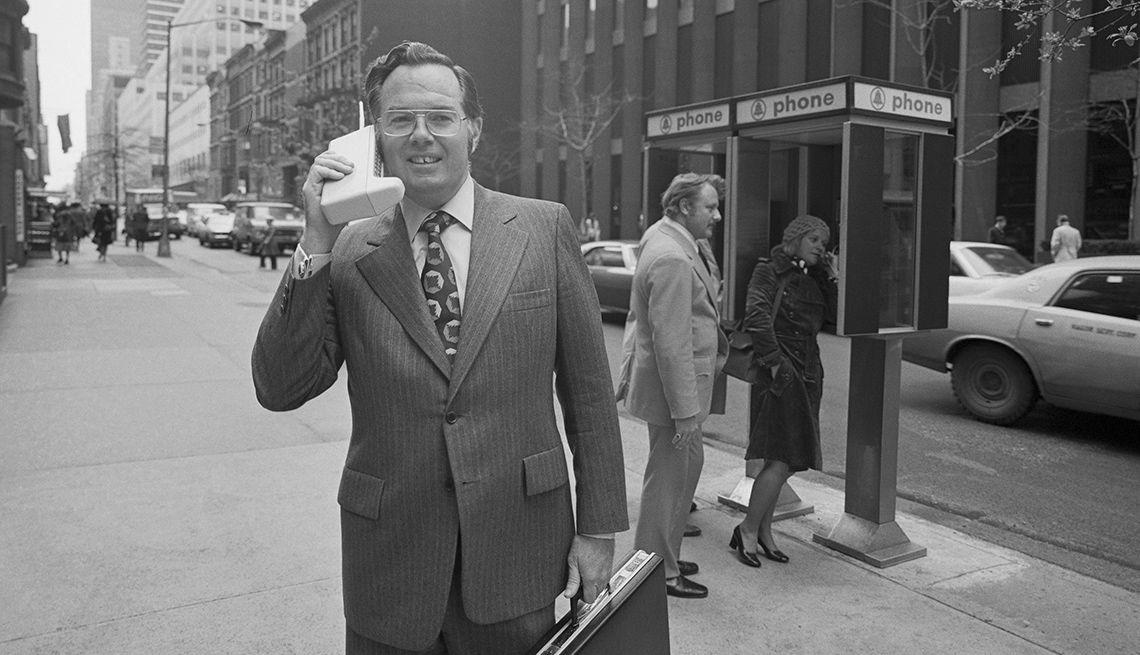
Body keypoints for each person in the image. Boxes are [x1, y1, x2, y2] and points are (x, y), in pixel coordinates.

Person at [251, 41, 627, 654]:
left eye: (440, 118)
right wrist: (315, 240)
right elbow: (279, 387)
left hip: (519, 552)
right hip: (389, 564)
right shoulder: (346, 252)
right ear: (374, 137)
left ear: (471, 129)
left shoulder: (543, 228)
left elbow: (588, 396)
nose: (421, 135)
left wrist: (599, 528)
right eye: (400, 120)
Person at [619, 172, 726, 600]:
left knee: (683, 475)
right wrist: (684, 411)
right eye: (710, 207)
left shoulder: (668, 238)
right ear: (683, 207)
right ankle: (655, 572)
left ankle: (666, 553)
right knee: (667, 482)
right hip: (676, 397)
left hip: (683, 391)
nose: (717, 215)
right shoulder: (671, 257)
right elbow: (671, 342)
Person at [733, 215, 838, 568]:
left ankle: (761, 530)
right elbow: (757, 315)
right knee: (780, 457)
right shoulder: (769, 270)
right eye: (815, 241)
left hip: (808, 373)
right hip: (783, 375)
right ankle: (749, 530)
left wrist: (832, 274)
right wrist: (777, 365)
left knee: (791, 459)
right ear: (795, 239)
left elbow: (837, 320)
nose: (820, 248)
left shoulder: (815, 277)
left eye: (823, 243)